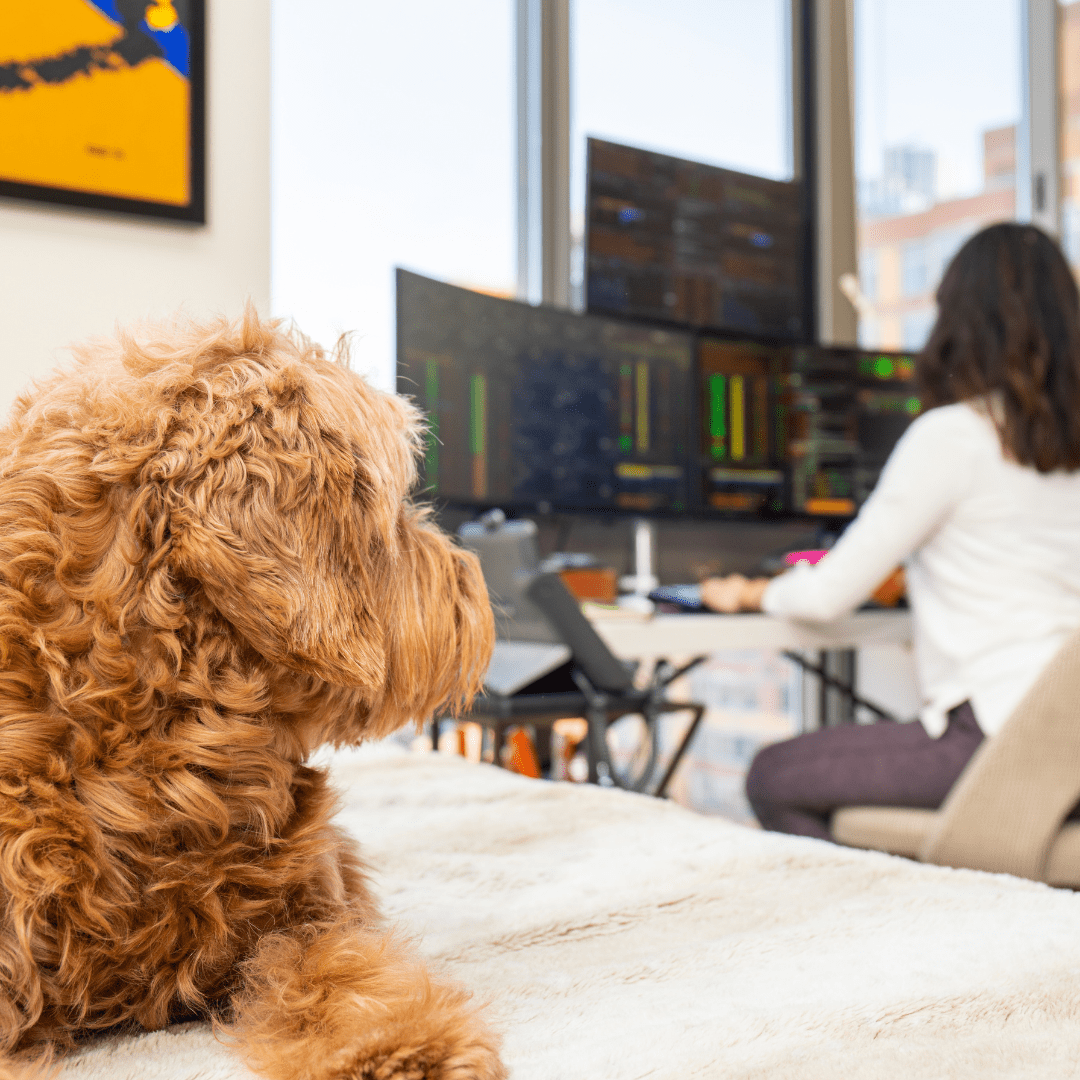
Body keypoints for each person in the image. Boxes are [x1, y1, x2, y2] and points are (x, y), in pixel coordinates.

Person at [701, 222, 1080, 841]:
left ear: (962, 323)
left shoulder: (955, 435)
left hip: (1000, 737)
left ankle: (881, 928)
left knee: (774, 776)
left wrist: (749, 593)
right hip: (1072, 749)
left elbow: (826, 596)